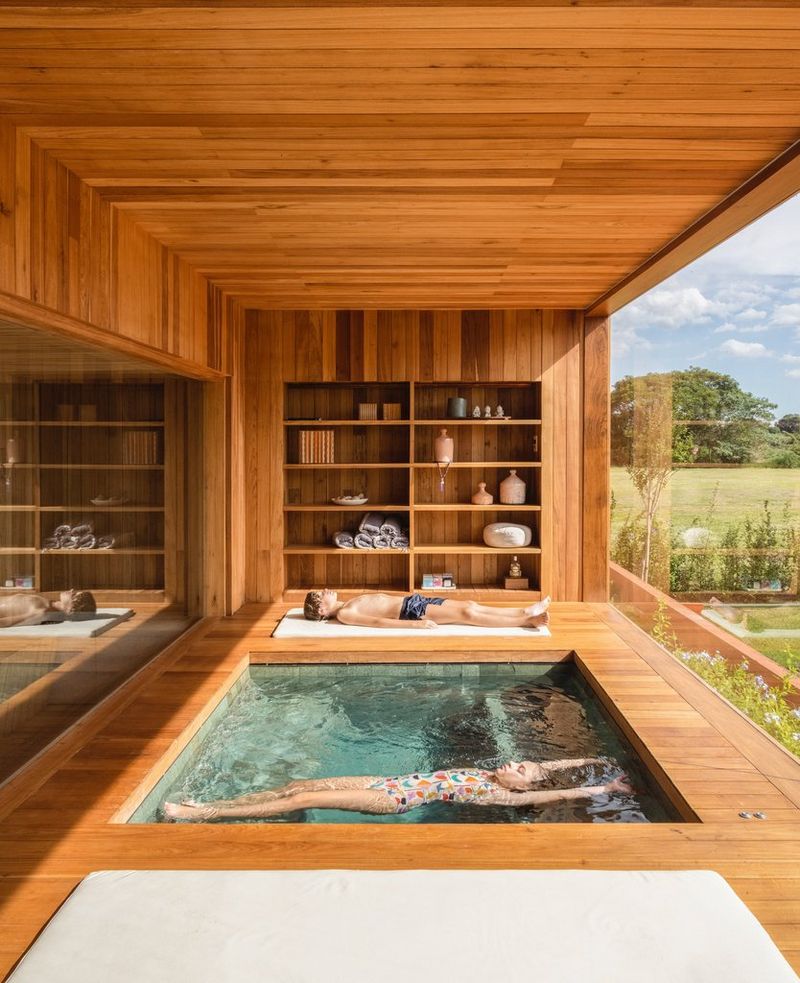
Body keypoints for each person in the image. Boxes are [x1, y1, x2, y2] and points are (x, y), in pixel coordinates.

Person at [164, 759, 632, 821]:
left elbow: (546, 792)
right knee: (298, 784)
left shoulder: (506, 795)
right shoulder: (496, 774)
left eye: (522, 768)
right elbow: (549, 769)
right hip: (387, 781)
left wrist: (602, 789)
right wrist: (587, 761)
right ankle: (213, 804)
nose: (514, 763)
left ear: (521, 784)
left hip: (393, 798)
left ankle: (200, 815)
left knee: (303, 800)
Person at [303, 589, 551, 630]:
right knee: (468, 615)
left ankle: (523, 610)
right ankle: (526, 621)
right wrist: (415, 624)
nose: (326, 590)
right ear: (322, 610)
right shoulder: (345, 614)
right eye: (321, 595)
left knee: (470, 605)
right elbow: (378, 623)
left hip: (413, 601)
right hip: (411, 612)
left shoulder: (347, 603)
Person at [0, 589, 97, 629]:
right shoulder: (48, 604)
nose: (71, 590)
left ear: (70, 609)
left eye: (75, 594)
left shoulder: (43, 612)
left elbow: (11, 621)